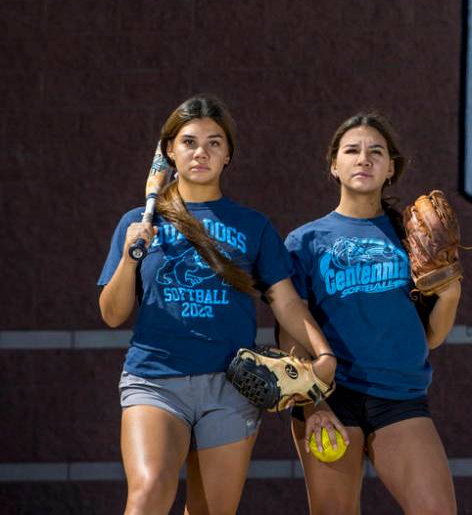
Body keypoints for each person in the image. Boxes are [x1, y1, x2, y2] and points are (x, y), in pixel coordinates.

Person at [98, 95, 341, 515]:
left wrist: (323, 353)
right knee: (149, 492)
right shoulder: (139, 222)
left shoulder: (252, 225)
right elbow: (113, 314)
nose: (201, 152)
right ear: (170, 151)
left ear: (228, 155)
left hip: (231, 385)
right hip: (155, 379)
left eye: (214, 143)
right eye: (189, 142)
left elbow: (285, 301)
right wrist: (129, 256)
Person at [280, 113, 461, 515]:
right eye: (352, 150)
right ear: (334, 164)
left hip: (399, 396)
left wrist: (450, 296)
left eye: (375, 151)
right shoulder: (305, 241)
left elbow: (428, 338)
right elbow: (290, 334)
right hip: (330, 396)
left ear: (391, 167)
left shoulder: (411, 237)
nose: (364, 159)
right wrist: (313, 403)